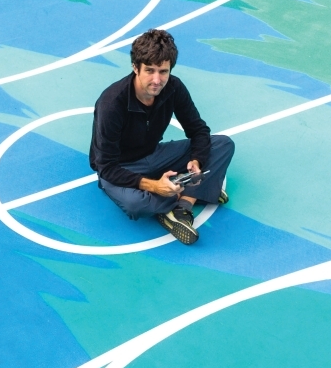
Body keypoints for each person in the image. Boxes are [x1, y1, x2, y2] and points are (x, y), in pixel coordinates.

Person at [89, 28, 235, 245]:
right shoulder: (112, 104)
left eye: (163, 71)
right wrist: (155, 186)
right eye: (150, 70)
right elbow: (106, 166)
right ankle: (200, 189)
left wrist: (196, 160)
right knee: (135, 206)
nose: (157, 80)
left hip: (155, 154)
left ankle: (183, 206)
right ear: (135, 67)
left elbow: (198, 130)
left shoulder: (174, 88)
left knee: (224, 145)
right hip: (122, 168)